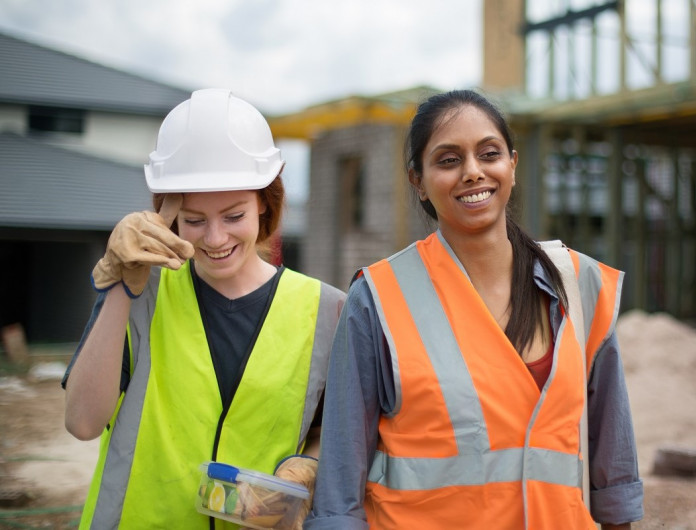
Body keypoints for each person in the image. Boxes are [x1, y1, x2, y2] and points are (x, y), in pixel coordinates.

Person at [304, 89, 643, 529]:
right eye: (448, 160)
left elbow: (611, 462)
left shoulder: (578, 286)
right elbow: (340, 487)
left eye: (489, 154)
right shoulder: (378, 300)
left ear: (512, 165)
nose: (472, 172)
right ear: (418, 181)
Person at [62, 88, 346, 529]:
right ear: (169, 214)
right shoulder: (143, 294)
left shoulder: (327, 311)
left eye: (233, 216)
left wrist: (307, 468)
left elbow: (334, 432)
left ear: (264, 205)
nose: (214, 239)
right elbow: (82, 421)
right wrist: (120, 284)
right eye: (194, 220)